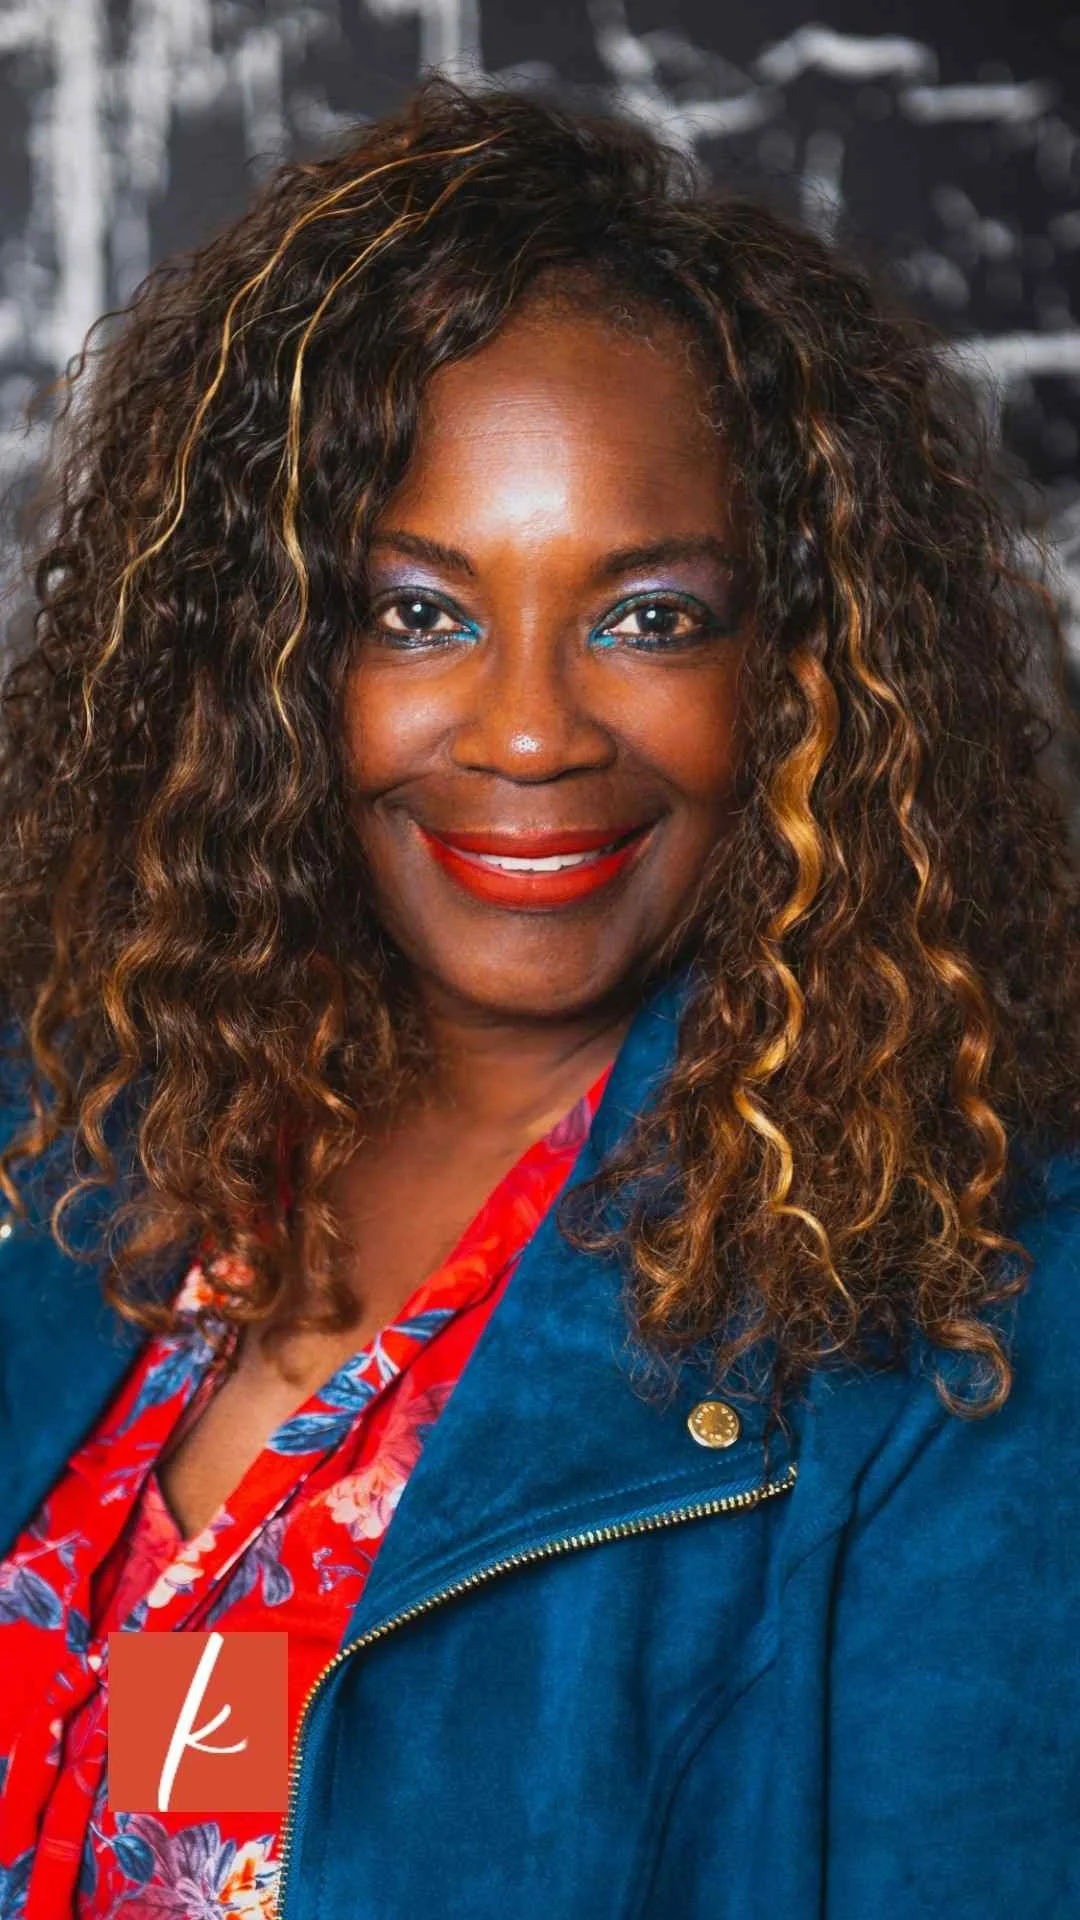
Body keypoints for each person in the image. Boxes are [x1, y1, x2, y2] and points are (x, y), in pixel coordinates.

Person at [0, 72, 1077, 1920]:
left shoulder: (971, 1329)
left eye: (649, 617)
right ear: (270, 659)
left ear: (804, 675)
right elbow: (189, 1802)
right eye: (417, 612)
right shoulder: (85, 1144)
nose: (524, 731)